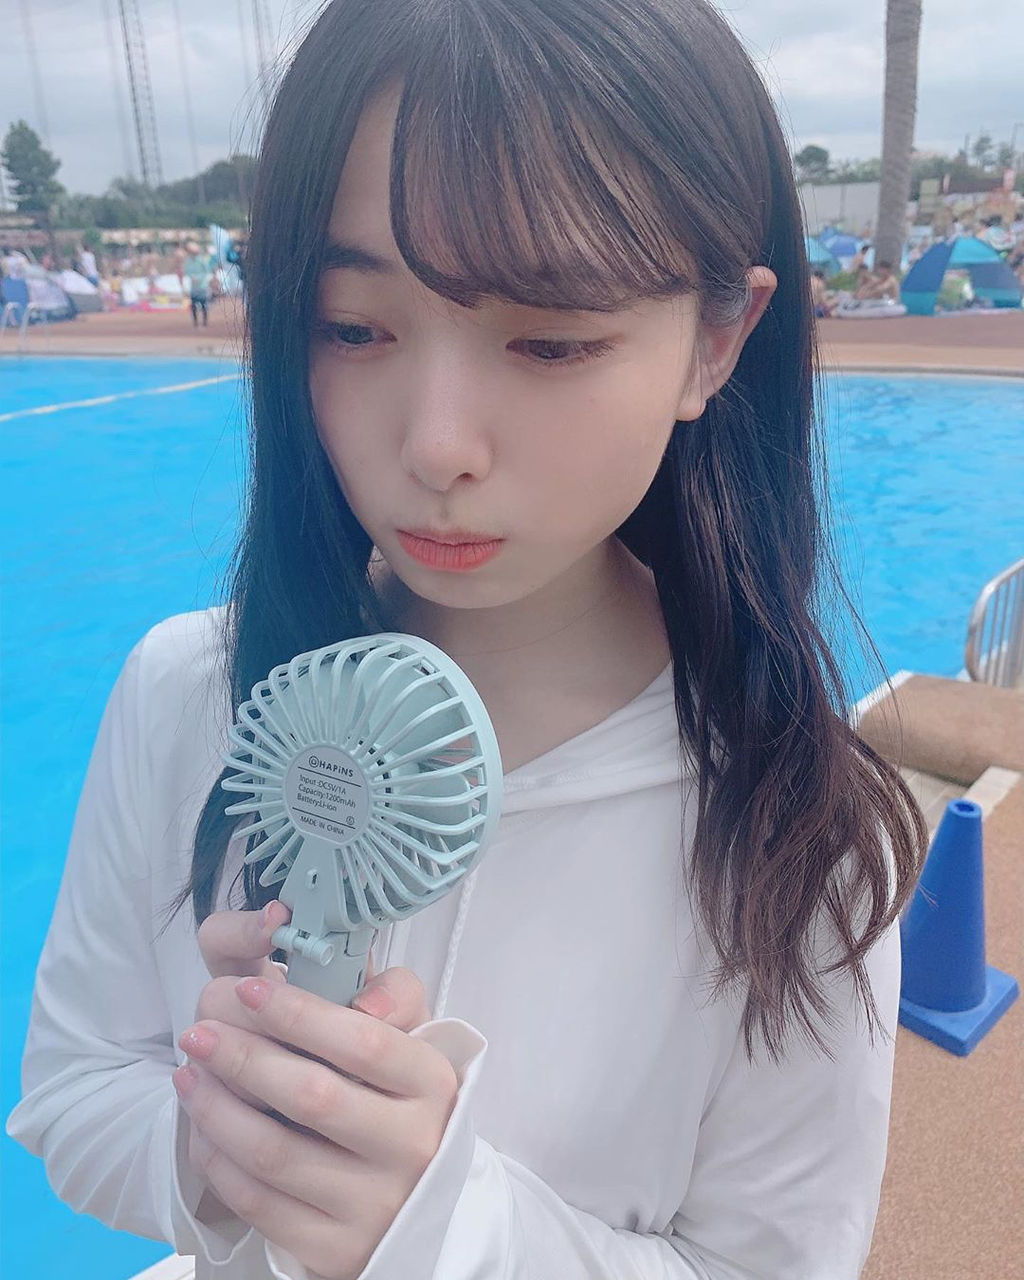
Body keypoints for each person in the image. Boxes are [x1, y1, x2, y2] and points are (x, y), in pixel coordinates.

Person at [5, 3, 927, 1279]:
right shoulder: (186, 693)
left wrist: (443, 1224)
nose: (436, 442)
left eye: (550, 338)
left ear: (715, 341)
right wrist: (219, 1138)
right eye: (352, 325)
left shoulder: (794, 831)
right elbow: (69, 1088)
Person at [183, 239, 215, 327]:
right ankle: (195, 322)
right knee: (193, 305)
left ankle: (204, 322)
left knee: (204, 304)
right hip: (193, 286)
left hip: (202, 285)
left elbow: (207, 272)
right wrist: (191, 277)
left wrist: (199, 278)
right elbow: (187, 271)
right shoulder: (188, 261)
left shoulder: (202, 260)